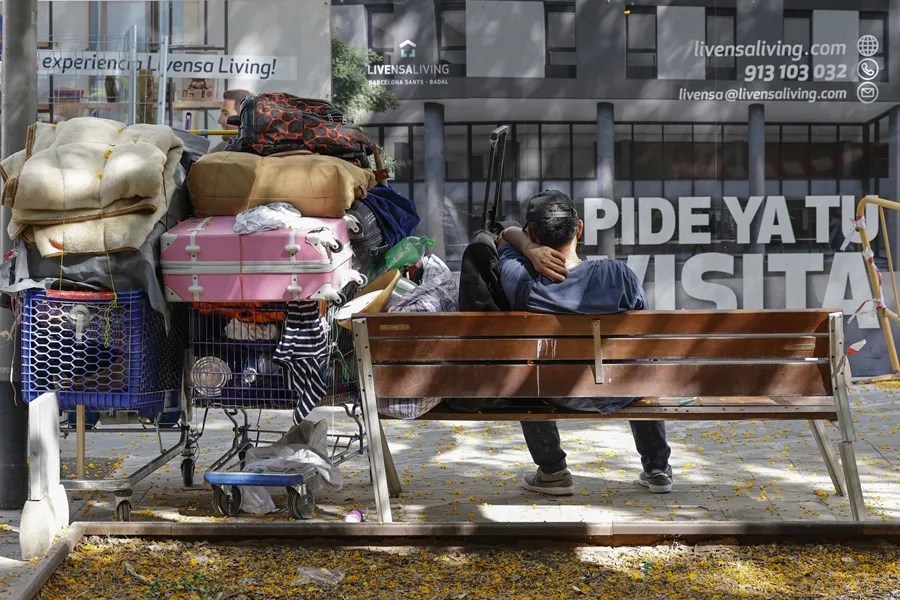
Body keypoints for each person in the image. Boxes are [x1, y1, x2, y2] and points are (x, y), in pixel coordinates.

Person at [450, 189, 673, 496]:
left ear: (532, 232)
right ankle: (657, 469)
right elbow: (641, 332)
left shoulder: (522, 281)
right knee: (641, 365)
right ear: (579, 228)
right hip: (622, 389)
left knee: (526, 378)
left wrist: (527, 248)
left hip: (555, 392)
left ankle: (553, 471)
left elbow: (504, 236)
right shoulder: (617, 274)